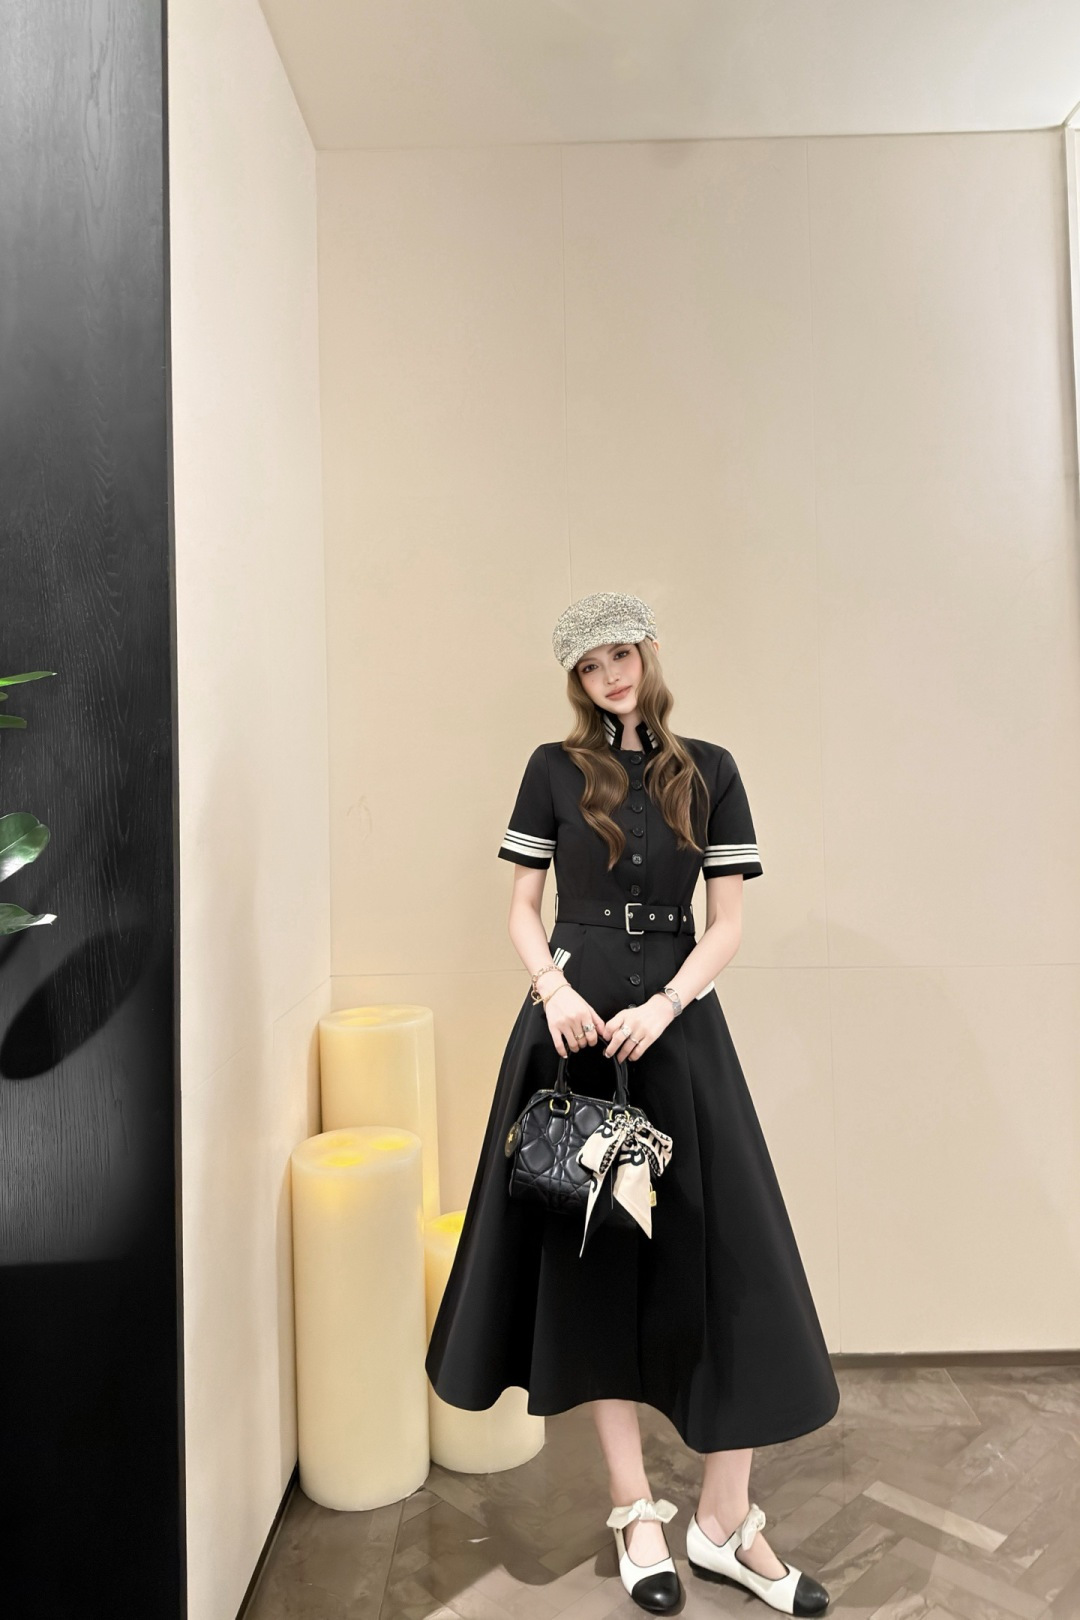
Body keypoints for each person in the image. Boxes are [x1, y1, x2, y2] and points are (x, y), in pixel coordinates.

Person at [425, 591, 839, 1615]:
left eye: (620, 655)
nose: (609, 676)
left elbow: (725, 922)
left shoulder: (712, 770)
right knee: (594, 1267)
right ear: (575, 680)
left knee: (734, 1260)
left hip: (676, 1034)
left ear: (648, 654)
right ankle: (634, 1510)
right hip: (571, 1038)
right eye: (589, 665)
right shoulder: (553, 769)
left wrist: (667, 1004)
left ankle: (724, 1522)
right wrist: (553, 990)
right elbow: (523, 907)